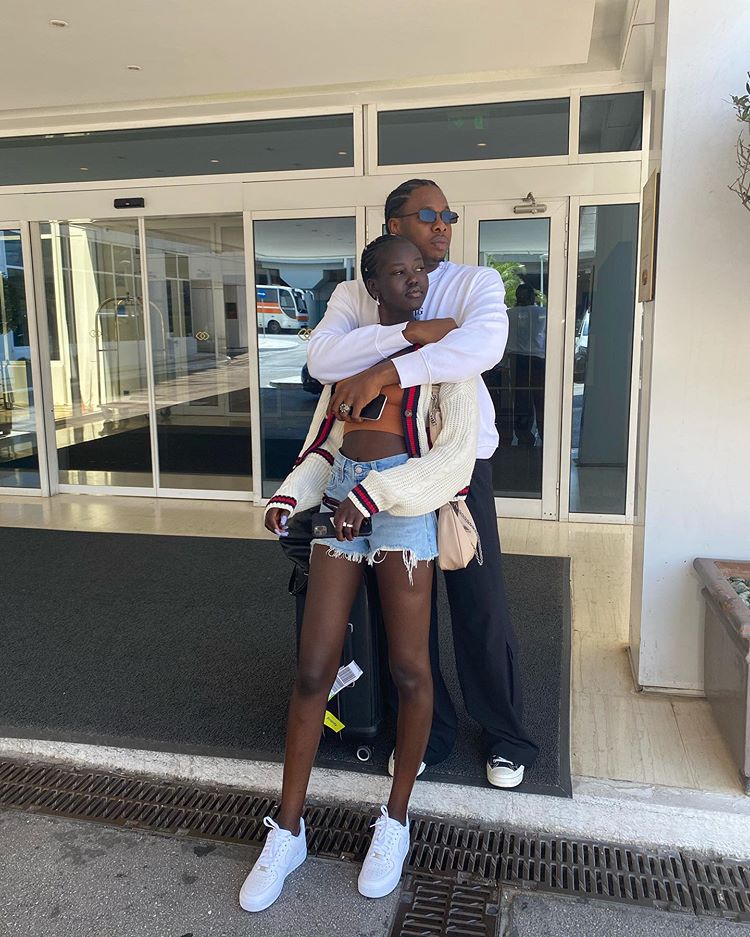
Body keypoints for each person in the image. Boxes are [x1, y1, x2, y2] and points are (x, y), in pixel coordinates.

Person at [239, 235, 478, 913]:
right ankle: (288, 830)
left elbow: (455, 455)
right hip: (343, 498)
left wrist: (376, 494)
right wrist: (291, 495)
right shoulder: (355, 352)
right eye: (397, 272)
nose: (413, 280)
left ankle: (395, 820)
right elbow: (326, 444)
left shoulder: (447, 356)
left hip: (403, 508)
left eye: (419, 270)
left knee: (409, 669)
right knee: (313, 666)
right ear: (372, 286)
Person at [307, 179, 539, 789]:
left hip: (457, 465)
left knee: (478, 599)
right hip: (379, 471)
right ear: (393, 224)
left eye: (448, 215)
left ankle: (506, 736)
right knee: (405, 612)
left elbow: (480, 349)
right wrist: (409, 335)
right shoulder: (355, 292)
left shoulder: (475, 283)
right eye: (428, 214)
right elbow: (323, 361)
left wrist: (382, 371)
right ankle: (426, 733)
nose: (442, 225)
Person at [506, 282, 547, 445]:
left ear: (517, 297)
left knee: (521, 399)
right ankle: (545, 433)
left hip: (517, 360)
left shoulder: (509, 314)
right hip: (538, 359)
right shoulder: (543, 313)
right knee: (540, 398)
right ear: (532, 297)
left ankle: (524, 436)